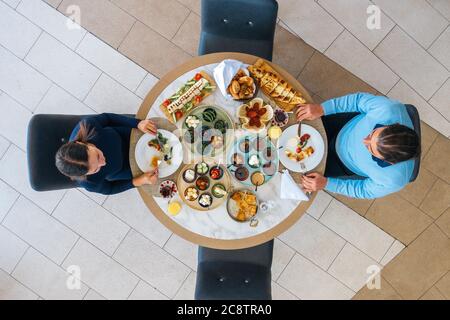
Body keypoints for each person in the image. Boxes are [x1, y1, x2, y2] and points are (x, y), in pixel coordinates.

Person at [296, 93, 420, 199]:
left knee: (297, 177)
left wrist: (326, 184)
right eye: (371, 134)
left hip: (340, 164)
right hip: (341, 126)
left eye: (370, 149)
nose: (363, 141)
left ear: (389, 162)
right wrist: (322, 109)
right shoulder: (388, 109)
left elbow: (363, 190)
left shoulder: (393, 180)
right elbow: (357, 100)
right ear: (393, 125)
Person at [55, 113, 159, 195]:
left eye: (97, 156)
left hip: (127, 135)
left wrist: (137, 123)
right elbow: (110, 189)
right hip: (127, 168)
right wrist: (138, 181)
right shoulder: (88, 183)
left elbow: (107, 118)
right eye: (96, 169)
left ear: (81, 143)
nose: (103, 163)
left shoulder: (87, 126)